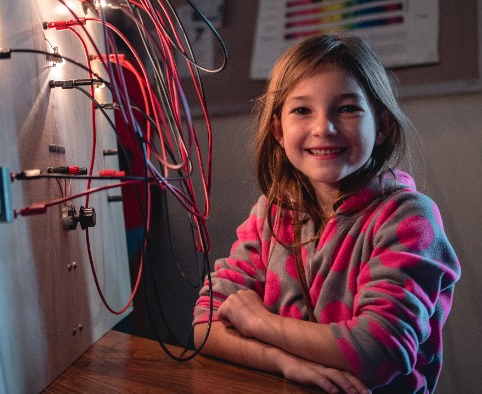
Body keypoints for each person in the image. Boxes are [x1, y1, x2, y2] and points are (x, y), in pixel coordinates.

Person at [192, 33, 460, 393]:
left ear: (382, 126)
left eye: (347, 108)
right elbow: (206, 326)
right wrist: (287, 363)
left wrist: (257, 321)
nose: (323, 128)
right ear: (278, 131)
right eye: (302, 110)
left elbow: (378, 351)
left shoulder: (409, 219)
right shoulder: (270, 216)